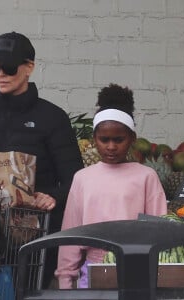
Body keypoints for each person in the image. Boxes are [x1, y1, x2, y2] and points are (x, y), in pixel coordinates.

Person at [0, 31, 84, 288]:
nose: (1, 74)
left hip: (35, 235)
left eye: (8, 67)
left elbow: (75, 178)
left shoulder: (52, 117)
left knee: (25, 289)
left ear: (29, 67)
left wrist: (51, 196)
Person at [54, 83, 167, 289]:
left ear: (132, 138)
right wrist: (65, 278)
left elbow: (158, 228)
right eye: (104, 139)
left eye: (119, 139)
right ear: (94, 139)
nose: (111, 146)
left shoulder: (146, 177)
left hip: (137, 268)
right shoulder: (82, 178)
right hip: (92, 270)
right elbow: (71, 231)